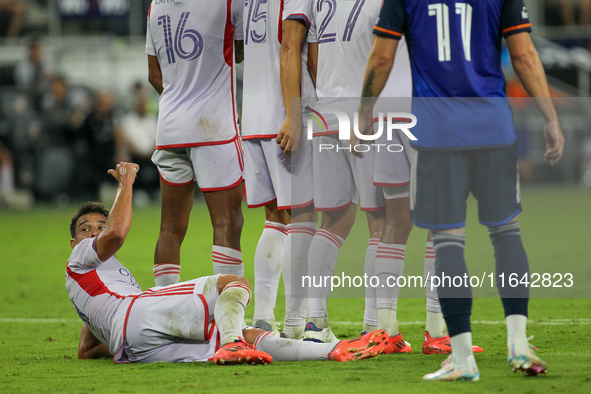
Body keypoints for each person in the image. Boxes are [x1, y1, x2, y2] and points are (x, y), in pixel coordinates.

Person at [357, 0, 564, 381]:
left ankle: (462, 356)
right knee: (506, 233)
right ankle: (517, 341)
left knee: (448, 240)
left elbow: (382, 58)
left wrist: (363, 110)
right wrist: (550, 117)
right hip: (493, 127)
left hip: (439, 133)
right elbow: (524, 55)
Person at [66, 161, 388, 364]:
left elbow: (87, 348)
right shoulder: (79, 258)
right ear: (73, 243)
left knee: (242, 336)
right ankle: (234, 343)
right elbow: (117, 233)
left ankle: (335, 351)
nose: (95, 232)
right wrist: (126, 182)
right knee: (231, 285)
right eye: (86, 229)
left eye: (99, 226)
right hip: (134, 314)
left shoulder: (99, 282)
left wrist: (122, 335)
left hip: (132, 348)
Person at [146, 0, 246, 286]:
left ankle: (164, 310)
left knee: (169, 228)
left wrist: (181, 100)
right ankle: (228, 318)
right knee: (228, 222)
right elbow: (238, 51)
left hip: (169, 129)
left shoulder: (155, 6)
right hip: (213, 128)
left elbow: (154, 74)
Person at [275, 0, 319, 341]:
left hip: (262, 118)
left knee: (280, 220)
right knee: (322, 219)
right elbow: (297, 48)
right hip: (303, 114)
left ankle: (273, 319)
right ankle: (308, 322)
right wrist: (296, 113)